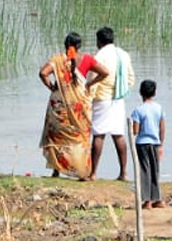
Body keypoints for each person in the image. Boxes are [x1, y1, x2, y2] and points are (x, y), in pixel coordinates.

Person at [40, 32, 108, 179]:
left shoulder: (57, 60)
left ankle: (56, 170)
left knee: (57, 137)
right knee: (80, 138)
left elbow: (43, 73)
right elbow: (105, 72)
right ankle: (82, 172)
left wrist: (52, 87)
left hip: (59, 105)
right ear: (79, 46)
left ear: (65, 45)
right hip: (80, 106)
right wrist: (90, 84)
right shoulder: (87, 59)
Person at [90, 26, 135, 181]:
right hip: (118, 98)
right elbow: (130, 78)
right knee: (118, 135)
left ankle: (93, 173)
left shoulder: (100, 56)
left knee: (98, 134)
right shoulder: (123, 54)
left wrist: (89, 96)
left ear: (99, 41)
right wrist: (122, 92)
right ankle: (124, 173)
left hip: (102, 98)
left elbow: (93, 79)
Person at [131, 79, 165, 208]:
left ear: (141, 93)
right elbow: (162, 127)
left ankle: (147, 200)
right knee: (155, 170)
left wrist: (132, 126)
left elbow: (135, 130)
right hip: (155, 143)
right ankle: (158, 198)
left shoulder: (138, 110)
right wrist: (161, 144)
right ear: (154, 92)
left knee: (145, 170)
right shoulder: (159, 108)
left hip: (142, 143)